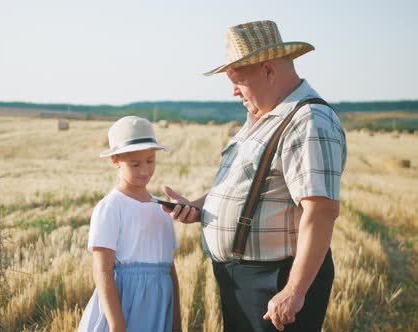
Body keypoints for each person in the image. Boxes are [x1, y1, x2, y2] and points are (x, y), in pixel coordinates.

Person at [163, 20, 347, 332]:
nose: (233, 91)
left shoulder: (309, 122)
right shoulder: (262, 118)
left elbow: (321, 210)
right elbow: (250, 184)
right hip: (249, 280)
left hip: (275, 280)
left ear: (268, 70)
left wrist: (293, 290)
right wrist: (200, 208)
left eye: (238, 79)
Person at [78, 116, 182, 332]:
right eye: (134, 164)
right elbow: (102, 270)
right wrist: (117, 325)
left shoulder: (161, 209)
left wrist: (176, 323)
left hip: (159, 307)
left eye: (150, 161)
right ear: (115, 161)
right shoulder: (111, 207)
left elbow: (170, 270)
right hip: (123, 308)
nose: (144, 171)